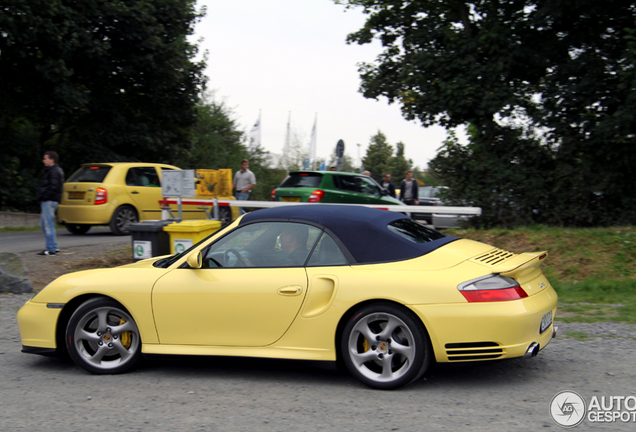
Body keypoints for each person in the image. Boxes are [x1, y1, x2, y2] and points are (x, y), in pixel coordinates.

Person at [36, 151, 64, 256]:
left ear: (51, 160)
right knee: (45, 224)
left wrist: (44, 196)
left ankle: (51, 249)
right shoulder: (54, 171)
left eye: (45, 158)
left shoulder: (53, 171)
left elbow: (53, 187)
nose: (43, 160)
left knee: (47, 225)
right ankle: (53, 247)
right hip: (51, 200)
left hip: (49, 201)